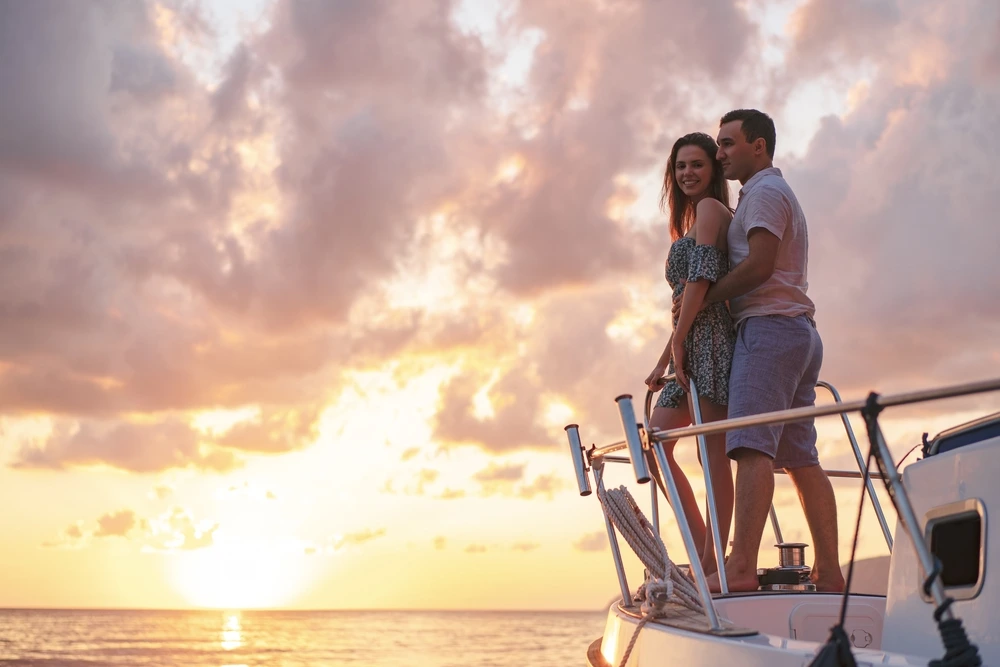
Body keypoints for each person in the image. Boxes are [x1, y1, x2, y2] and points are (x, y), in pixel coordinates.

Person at [674, 109, 846, 593]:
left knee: (751, 448)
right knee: (801, 459)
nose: (720, 153)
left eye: (728, 144)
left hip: (770, 330)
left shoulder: (767, 194)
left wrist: (704, 299)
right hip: (797, 332)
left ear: (759, 146)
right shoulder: (764, 194)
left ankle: (741, 568)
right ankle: (830, 574)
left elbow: (762, 267)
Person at [644, 132, 736, 577]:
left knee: (712, 455)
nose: (687, 173)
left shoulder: (712, 210)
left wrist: (678, 343)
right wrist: (666, 356)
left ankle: (713, 563)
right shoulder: (690, 221)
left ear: (713, 170)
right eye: (681, 166)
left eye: (697, 164)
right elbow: (686, 298)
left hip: (712, 343)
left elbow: (700, 281)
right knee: (655, 445)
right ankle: (705, 551)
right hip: (686, 342)